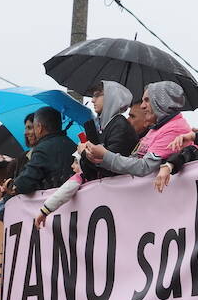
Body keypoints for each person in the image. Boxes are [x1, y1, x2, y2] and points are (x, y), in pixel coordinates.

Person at [33, 82, 138, 228]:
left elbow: (109, 166)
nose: (93, 100)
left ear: (111, 97)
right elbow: (92, 168)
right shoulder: (103, 127)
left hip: (117, 204)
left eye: (97, 95)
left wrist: (84, 153)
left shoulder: (119, 125)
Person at [85, 81, 192, 177]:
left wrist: (105, 155)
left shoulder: (175, 129)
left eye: (147, 100)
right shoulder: (157, 128)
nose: (142, 106)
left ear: (161, 102)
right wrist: (99, 158)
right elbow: (134, 159)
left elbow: (144, 167)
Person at [3, 107, 76, 201]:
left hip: (48, 206)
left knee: (0, 208)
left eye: (32, 127)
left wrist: (12, 186)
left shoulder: (42, 149)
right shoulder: (73, 145)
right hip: (73, 204)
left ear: (39, 127)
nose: (26, 133)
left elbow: (26, 182)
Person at [0, 113, 37, 221]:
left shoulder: (44, 155)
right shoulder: (23, 157)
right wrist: (7, 188)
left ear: (40, 128)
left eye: (30, 128)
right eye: (25, 128)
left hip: (31, 210)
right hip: (19, 208)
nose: (25, 133)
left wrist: (13, 188)